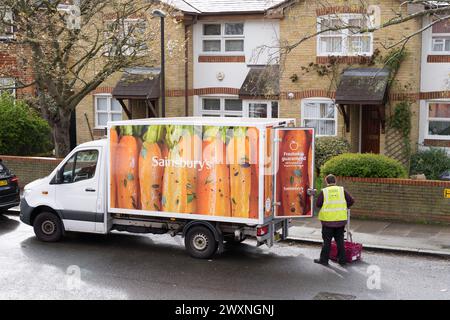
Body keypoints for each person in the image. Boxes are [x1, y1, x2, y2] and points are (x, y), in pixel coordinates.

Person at [313, 174, 354, 267]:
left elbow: (318, 204)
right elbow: (351, 201)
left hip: (328, 222)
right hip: (340, 221)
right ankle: (342, 260)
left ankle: (324, 260)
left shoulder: (324, 192)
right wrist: (344, 206)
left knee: (327, 241)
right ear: (335, 181)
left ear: (326, 181)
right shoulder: (341, 190)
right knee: (340, 241)